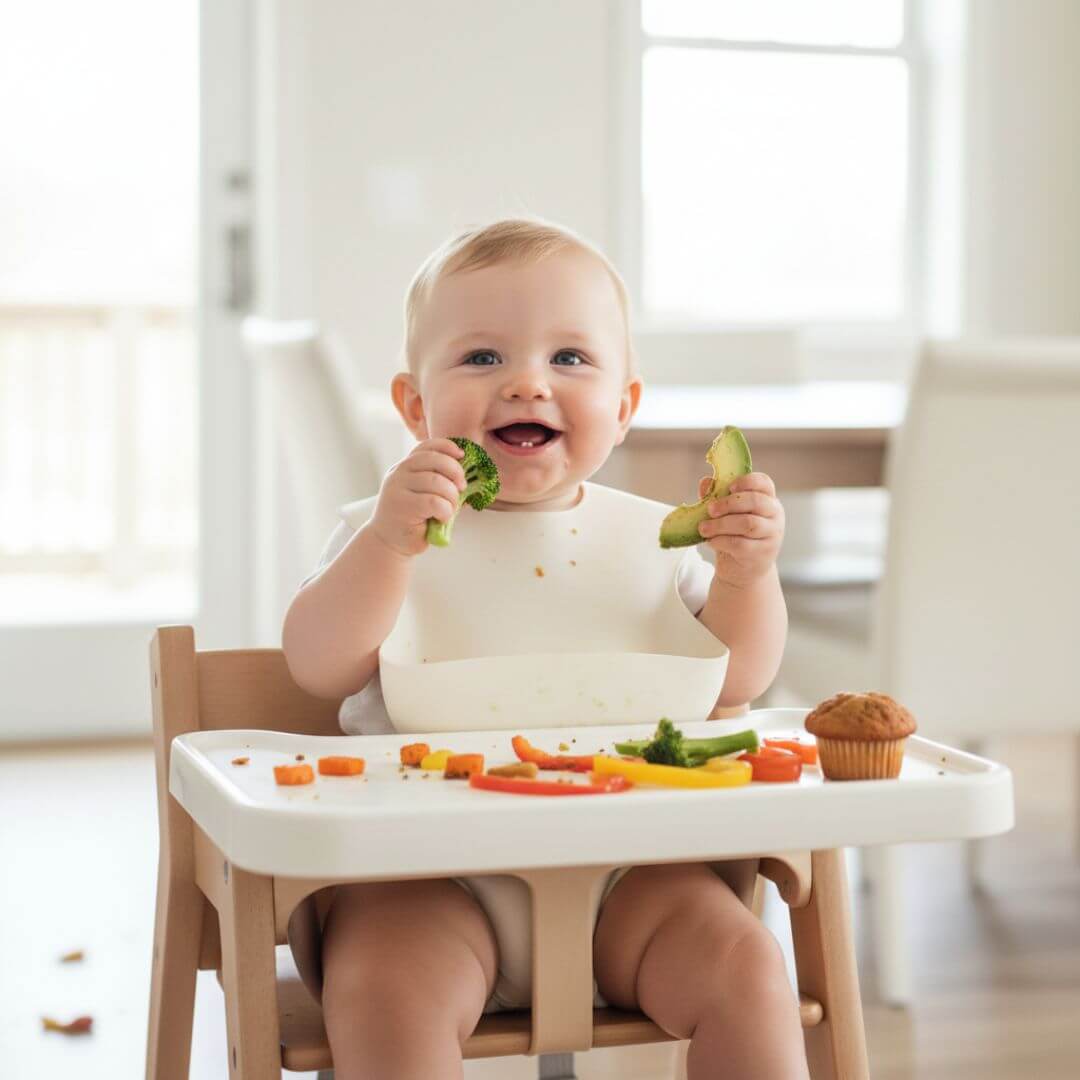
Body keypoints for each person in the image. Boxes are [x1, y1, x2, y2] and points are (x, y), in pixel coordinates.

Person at [281, 217, 805, 1079]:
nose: (527, 382)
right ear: (414, 406)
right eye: (482, 358)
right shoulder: (388, 534)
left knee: (746, 970)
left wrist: (748, 576)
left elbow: (733, 681)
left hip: (630, 872)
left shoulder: (651, 542)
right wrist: (387, 547)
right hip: (424, 875)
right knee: (386, 992)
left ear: (626, 407)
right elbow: (318, 665)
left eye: (570, 359)